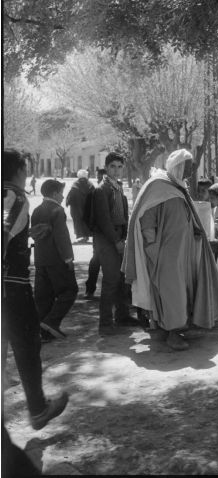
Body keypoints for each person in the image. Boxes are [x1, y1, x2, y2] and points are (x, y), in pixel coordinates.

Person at [122, 149, 218, 351]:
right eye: (188, 166)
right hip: (165, 253)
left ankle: (172, 327)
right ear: (178, 166)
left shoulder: (178, 187)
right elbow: (146, 219)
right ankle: (173, 333)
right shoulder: (158, 185)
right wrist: (153, 249)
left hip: (184, 252)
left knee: (182, 291)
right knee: (174, 293)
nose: (191, 171)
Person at [2, 149, 69, 430]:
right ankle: (38, 409)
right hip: (12, 286)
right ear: (19, 170)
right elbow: (4, 232)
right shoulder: (15, 197)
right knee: (27, 344)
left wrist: (26, 234)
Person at [91, 152, 139, 334]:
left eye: (120, 167)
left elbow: (124, 216)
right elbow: (103, 220)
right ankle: (105, 324)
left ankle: (122, 316)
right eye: (113, 166)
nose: (116, 170)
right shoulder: (101, 190)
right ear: (106, 167)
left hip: (119, 236)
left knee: (122, 278)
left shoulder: (118, 187)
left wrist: (124, 237)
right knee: (111, 280)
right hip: (106, 239)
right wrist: (116, 241)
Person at [31, 179, 78, 341]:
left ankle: (43, 331)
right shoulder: (58, 210)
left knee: (44, 297)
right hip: (57, 260)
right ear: (54, 193)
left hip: (40, 259)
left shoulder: (36, 210)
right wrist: (68, 259)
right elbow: (61, 237)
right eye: (61, 193)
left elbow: (35, 234)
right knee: (70, 290)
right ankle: (51, 322)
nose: (63, 197)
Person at [83, 169, 105, 300]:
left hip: (112, 233)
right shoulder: (93, 193)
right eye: (99, 178)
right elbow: (86, 213)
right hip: (99, 233)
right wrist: (93, 228)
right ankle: (90, 289)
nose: (99, 180)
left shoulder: (115, 191)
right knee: (96, 260)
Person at [66, 169, 95, 244]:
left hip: (77, 208)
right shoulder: (90, 184)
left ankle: (83, 236)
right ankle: (86, 236)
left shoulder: (75, 185)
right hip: (88, 208)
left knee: (78, 221)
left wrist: (67, 202)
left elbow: (70, 196)